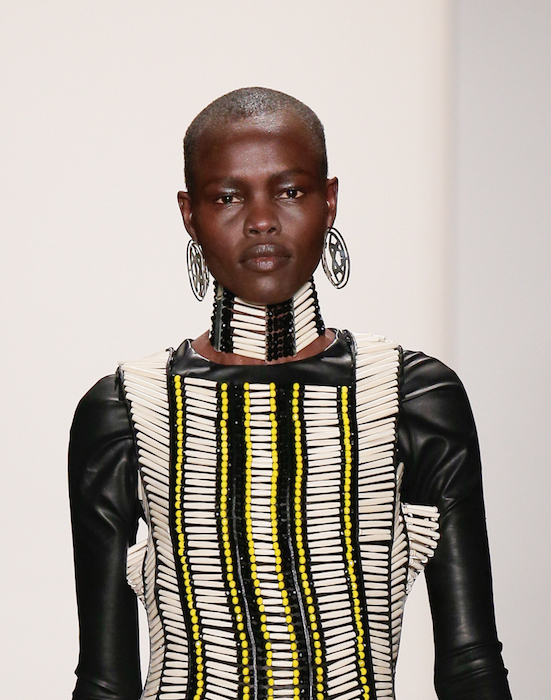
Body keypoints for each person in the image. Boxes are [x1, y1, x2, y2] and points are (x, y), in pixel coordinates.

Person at [69, 87, 512, 700]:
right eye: (228, 197)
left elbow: (470, 663)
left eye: (290, 191)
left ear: (329, 201)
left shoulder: (411, 396)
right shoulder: (126, 410)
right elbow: (104, 679)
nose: (261, 221)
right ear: (189, 214)